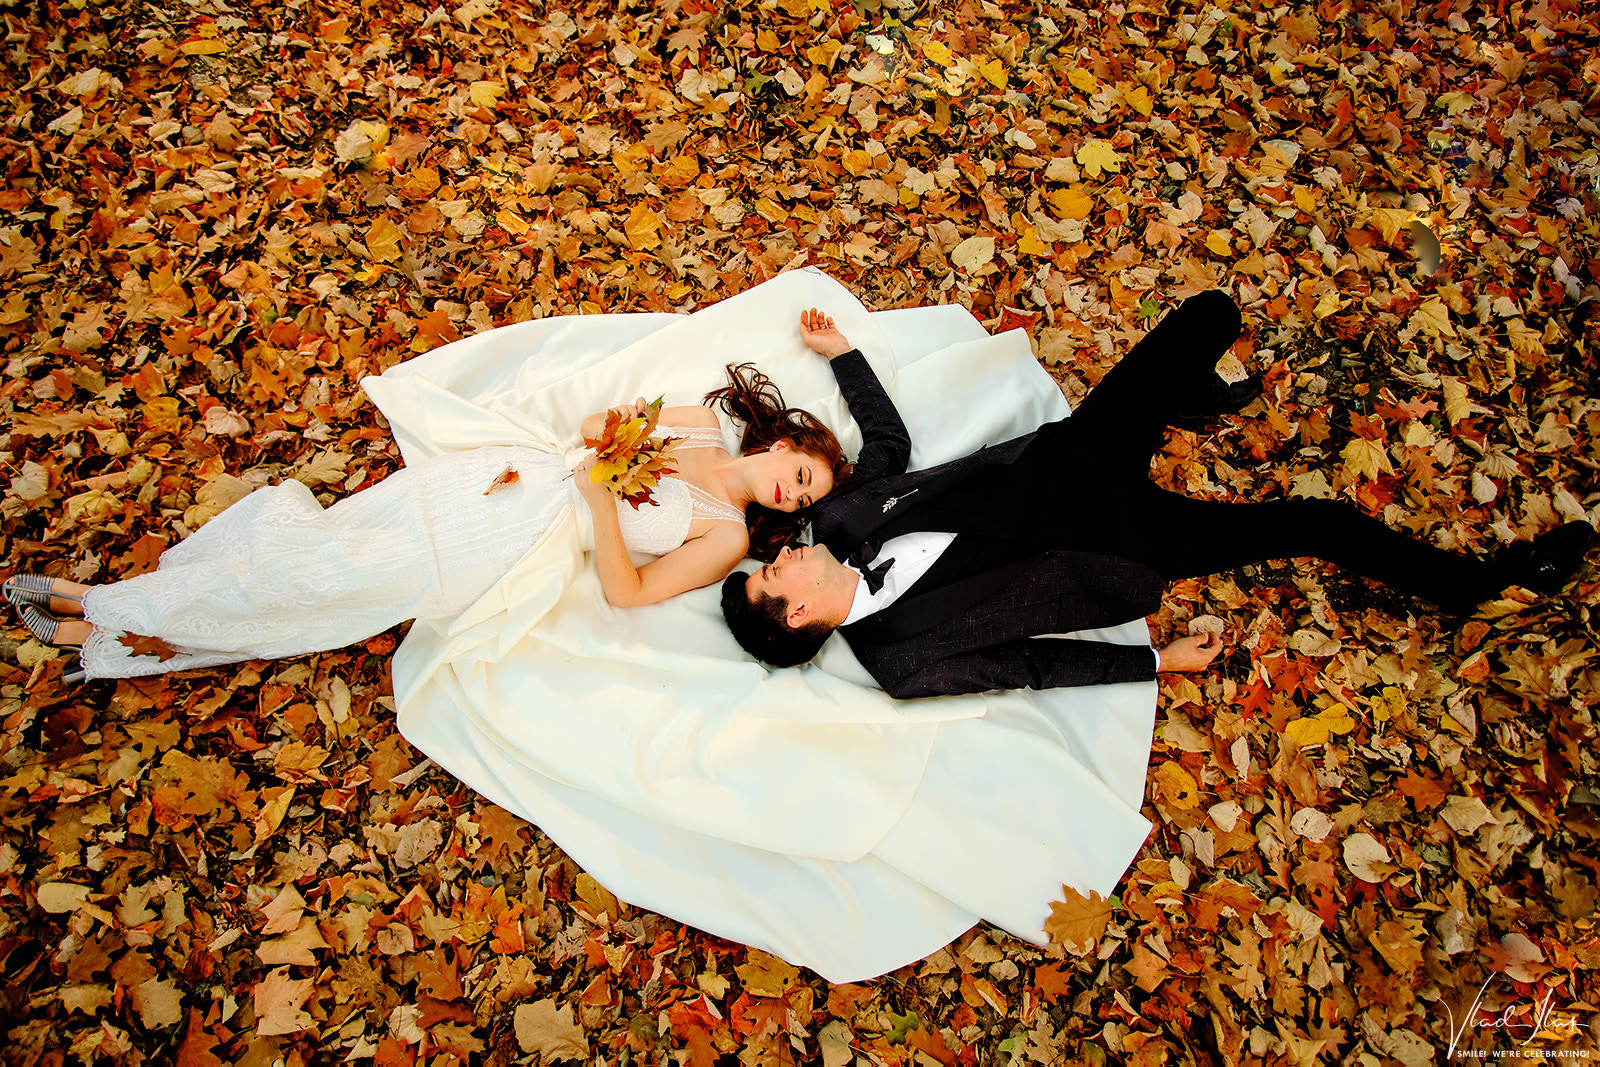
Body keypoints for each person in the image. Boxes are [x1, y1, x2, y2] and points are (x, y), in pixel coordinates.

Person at [723, 290, 1594, 698]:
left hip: (1068, 457)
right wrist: (1153, 663)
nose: (785, 555)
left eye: (770, 563)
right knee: (1315, 522)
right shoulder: (901, 661)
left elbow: (890, 444)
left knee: (1210, 315)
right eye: (776, 579)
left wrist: (842, 354)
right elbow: (1030, 665)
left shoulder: (835, 517)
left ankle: (1184, 400)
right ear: (796, 618)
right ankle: (1479, 587)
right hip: (1125, 541)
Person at [4, 309, 863, 683]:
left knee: (339, 584)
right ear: (785, 444)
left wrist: (604, 501)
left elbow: (625, 589)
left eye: (801, 501)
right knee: (332, 542)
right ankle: (113, 617)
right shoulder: (701, 427)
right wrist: (612, 449)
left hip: (520, 543)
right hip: (502, 481)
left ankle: (105, 610)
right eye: (804, 474)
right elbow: (606, 419)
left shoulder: (720, 538)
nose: (792, 496)